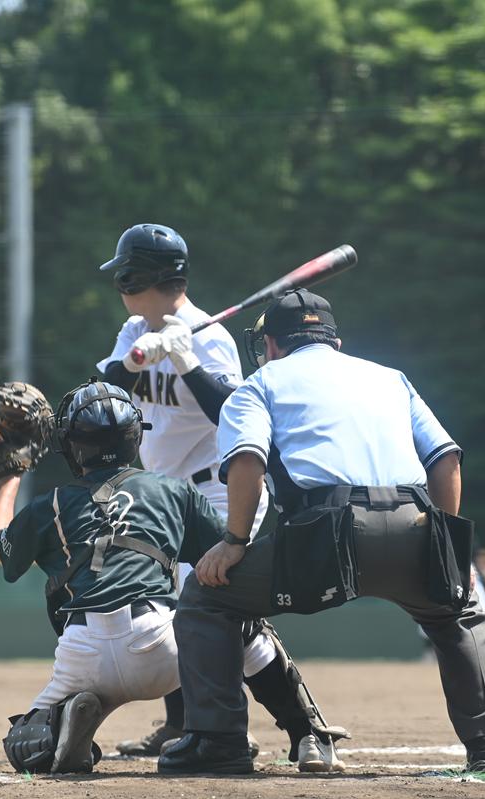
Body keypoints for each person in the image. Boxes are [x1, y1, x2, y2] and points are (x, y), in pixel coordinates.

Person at [158, 289, 485, 777]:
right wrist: (446, 547)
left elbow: (246, 461)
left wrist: (234, 542)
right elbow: (446, 459)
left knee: (207, 596)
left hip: (323, 533)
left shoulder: (260, 382)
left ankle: (218, 741)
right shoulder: (391, 377)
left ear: (271, 344)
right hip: (413, 521)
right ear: (336, 342)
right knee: (459, 614)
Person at [95, 224, 346, 769]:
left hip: (216, 488)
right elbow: (107, 401)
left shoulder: (208, 338)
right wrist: (132, 363)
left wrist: (185, 361)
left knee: (218, 605)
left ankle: (305, 727)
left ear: (139, 277)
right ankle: (182, 725)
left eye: (123, 276)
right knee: (174, 606)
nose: (118, 286)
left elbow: (234, 416)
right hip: (164, 495)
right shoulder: (134, 328)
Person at [0, 379, 226, 774]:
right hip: (163, 650)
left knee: (26, 745)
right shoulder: (171, 490)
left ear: (71, 446)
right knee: (238, 620)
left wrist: (9, 476)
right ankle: (252, 730)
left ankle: (66, 721)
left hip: (84, 651)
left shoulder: (52, 503)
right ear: (135, 436)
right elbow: (227, 557)